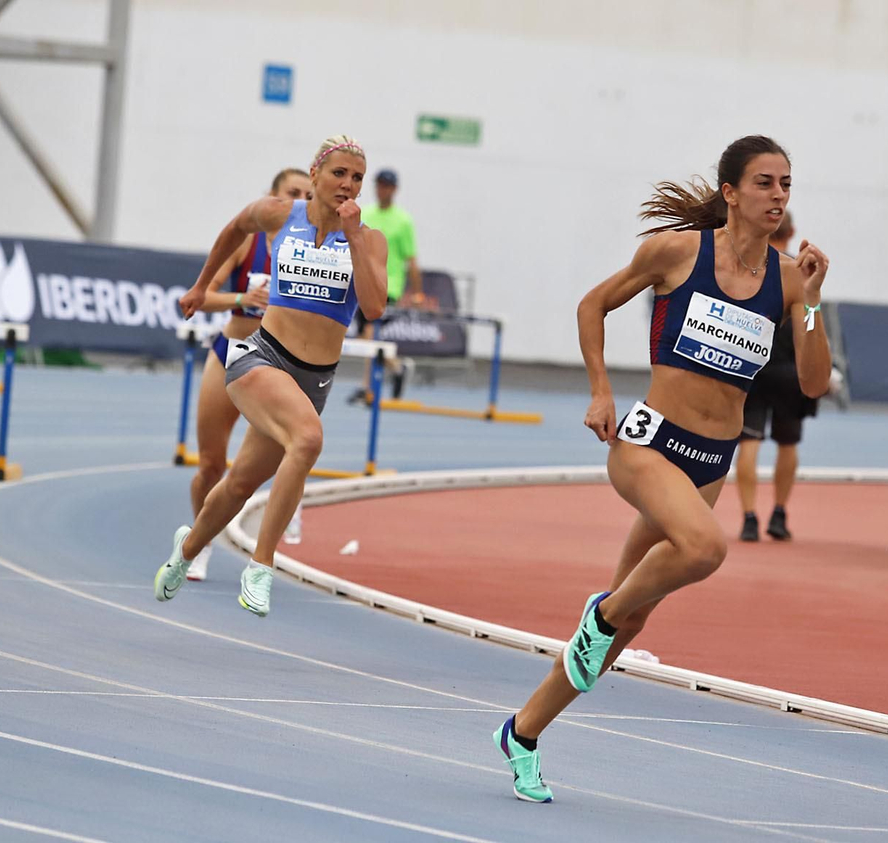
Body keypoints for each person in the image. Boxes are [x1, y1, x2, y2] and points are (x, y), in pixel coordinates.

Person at [492, 135, 830, 802]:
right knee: (703, 549)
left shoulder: (791, 279)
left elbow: (814, 383)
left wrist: (815, 299)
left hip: (711, 461)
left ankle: (523, 732)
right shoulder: (677, 252)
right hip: (648, 442)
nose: (779, 196)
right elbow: (594, 305)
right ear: (731, 193)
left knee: (629, 625)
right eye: (765, 183)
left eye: (787, 184)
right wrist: (599, 389)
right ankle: (603, 611)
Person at [155, 136, 388, 617]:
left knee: (240, 484)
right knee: (307, 441)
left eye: (357, 177)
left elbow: (374, 306)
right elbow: (232, 228)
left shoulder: (369, 238)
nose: (348, 185)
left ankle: (185, 550)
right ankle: (261, 566)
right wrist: (202, 285)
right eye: (339, 173)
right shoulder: (280, 215)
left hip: (314, 379)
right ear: (316, 175)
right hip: (260, 356)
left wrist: (357, 239)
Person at [183, 167, 310, 582]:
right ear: (273, 198)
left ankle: (289, 500)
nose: (300, 201)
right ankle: (198, 545)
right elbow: (206, 297)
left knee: (282, 452)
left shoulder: (316, 247)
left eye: (307, 194)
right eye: (293, 193)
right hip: (229, 353)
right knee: (211, 463)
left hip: (277, 365)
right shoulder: (250, 244)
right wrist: (242, 297)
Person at [734, 209, 817, 543]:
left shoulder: (756, 270)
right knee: (788, 443)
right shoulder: (800, 274)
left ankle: (749, 518)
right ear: (793, 230)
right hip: (789, 374)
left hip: (753, 370)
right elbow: (810, 323)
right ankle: (780, 513)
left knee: (749, 442)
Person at [351, 168, 425, 403]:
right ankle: (396, 368)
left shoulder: (403, 221)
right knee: (366, 336)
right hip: (361, 281)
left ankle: (368, 386)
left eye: (387, 186)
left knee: (370, 333)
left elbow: (411, 259)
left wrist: (417, 292)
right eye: (380, 185)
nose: (382, 190)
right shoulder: (366, 213)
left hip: (387, 285)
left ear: (394, 189)